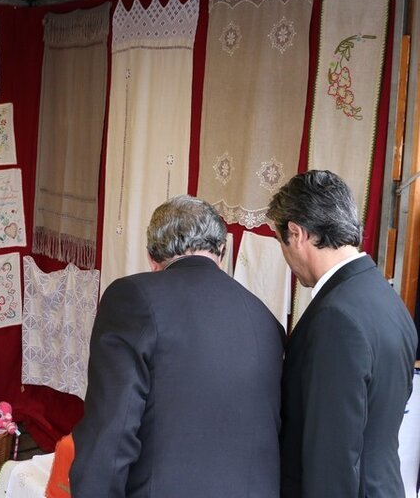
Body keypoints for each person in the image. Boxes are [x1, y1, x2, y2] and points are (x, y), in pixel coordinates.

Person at [70, 194, 284, 498]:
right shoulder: (266, 319)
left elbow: (111, 432)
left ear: (152, 258)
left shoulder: (132, 297)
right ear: (222, 251)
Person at [267, 170, 418, 498]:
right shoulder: (387, 298)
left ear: (297, 234)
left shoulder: (336, 316)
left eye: (281, 243)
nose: (286, 258)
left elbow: (331, 456)